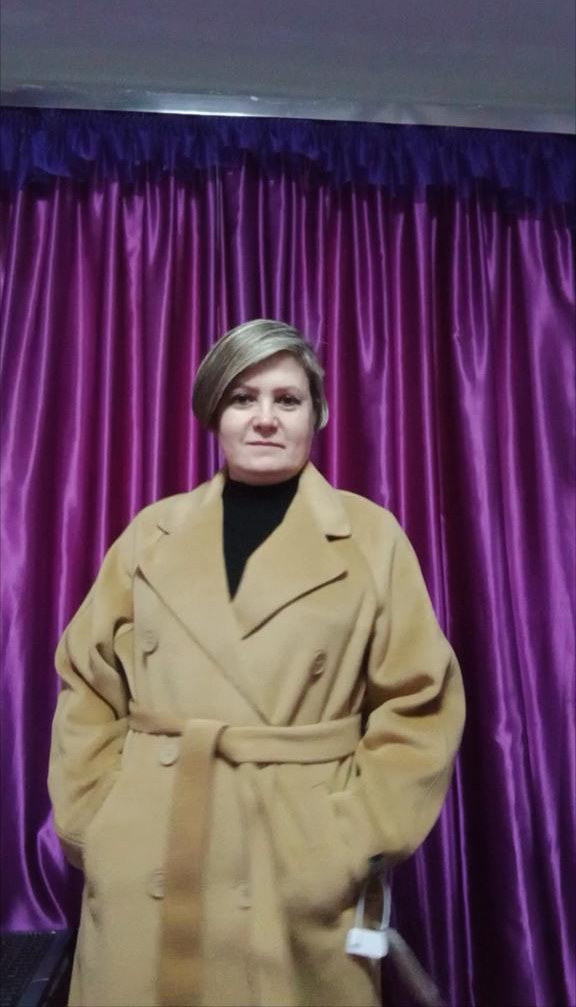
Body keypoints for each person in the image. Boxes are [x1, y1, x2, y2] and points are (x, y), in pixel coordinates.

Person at [48, 318, 465, 1007]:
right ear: (216, 413)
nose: (265, 418)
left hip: (293, 863)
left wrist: (350, 841)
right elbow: (87, 683)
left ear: (316, 414)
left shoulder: (369, 538)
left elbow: (420, 702)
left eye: (287, 399)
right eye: (243, 398)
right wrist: (96, 821)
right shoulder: (151, 534)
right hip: (150, 853)